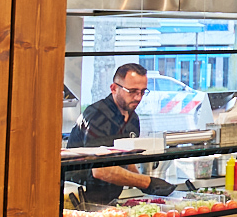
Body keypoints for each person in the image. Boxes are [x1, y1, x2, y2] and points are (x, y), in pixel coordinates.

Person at [65, 63, 175, 204]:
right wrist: (146, 182)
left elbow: (126, 159)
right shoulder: (97, 116)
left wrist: (148, 187)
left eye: (142, 92)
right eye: (132, 91)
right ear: (114, 88)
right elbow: (100, 170)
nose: (138, 97)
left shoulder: (133, 118)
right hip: (80, 200)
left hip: (110, 200)